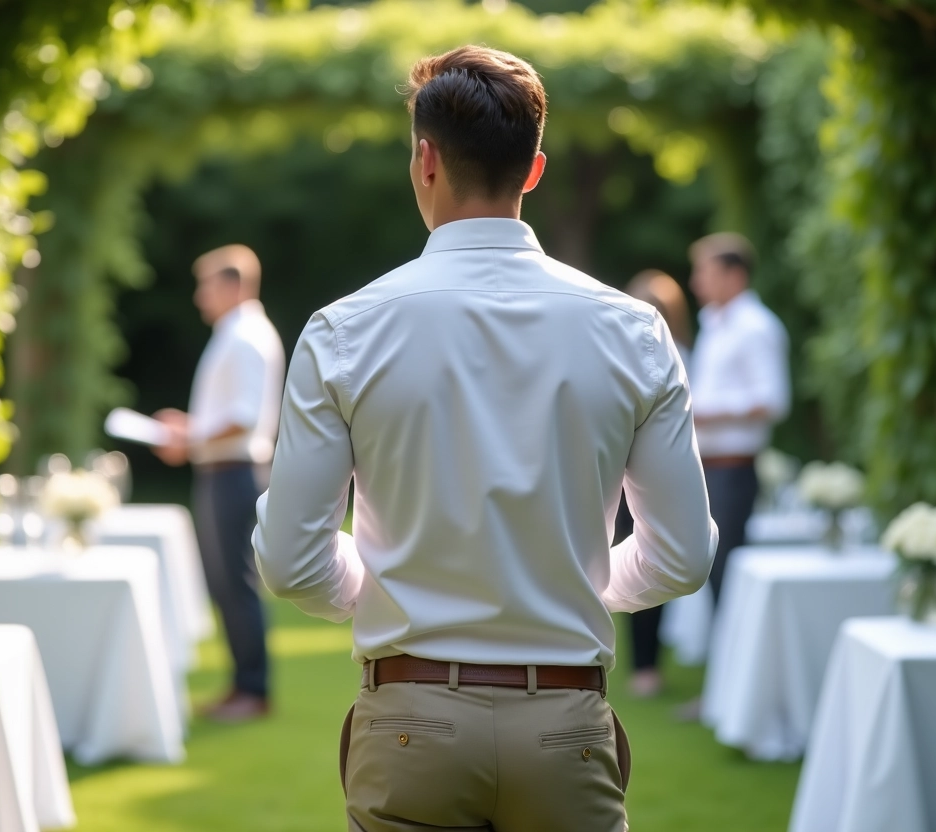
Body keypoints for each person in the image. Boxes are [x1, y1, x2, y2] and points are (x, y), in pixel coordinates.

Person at [253, 46, 716, 831]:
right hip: (566, 726)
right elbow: (681, 555)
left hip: (409, 722)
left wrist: (378, 587)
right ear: (532, 170)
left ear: (424, 162)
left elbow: (291, 561)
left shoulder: (344, 331)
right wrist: (566, 582)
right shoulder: (634, 331)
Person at [154, 244, 285, 722]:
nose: (199, 296)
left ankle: (253, 689)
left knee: (237, 583)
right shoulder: (237, 332)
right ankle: (241, 686)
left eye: (206, 285)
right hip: (223, 470)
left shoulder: (246, 335)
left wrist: (188, 436)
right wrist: (190, 428)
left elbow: (244, 418)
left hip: (235, 472)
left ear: (233, 285)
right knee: (225, 583)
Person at [676, 232, 789, 721]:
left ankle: (736, 700)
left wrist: (699, 412)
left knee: (728, 582)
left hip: (734, 471)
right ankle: (725, 696)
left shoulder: (755, 327)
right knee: (717, 581)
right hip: (712, 471)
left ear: (734, 274)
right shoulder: (718, 324)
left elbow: (772, 399)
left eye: (706, 271)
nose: (697, 282)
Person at [614, 270, 693, 699]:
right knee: (641, 553)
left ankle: (652, 660)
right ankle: (644, 662)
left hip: (665, 467)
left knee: (662, 556)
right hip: (631, 473)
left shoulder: (680, 354)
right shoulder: (620, 353)